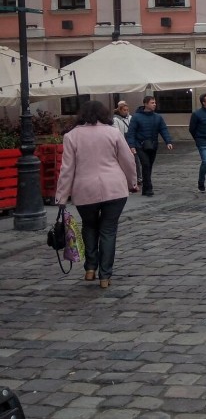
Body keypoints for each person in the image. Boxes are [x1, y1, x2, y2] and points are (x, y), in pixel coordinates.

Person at [55, 100, 137, 289]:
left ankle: (90, 267)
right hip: (114, 188)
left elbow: (67, 169)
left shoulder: (71, 136)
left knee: (90, 226)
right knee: (108, 230)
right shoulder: (113, 132)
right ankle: (105, 276)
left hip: (84, 189)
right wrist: (133, 182)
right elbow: (127, 160)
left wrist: (61, 196)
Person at [126, 96, 173, 197]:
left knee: (149, 166)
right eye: (152, 103)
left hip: (152, 145)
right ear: (145, 104)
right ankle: (149, 188)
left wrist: (168, 141)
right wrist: (132, 145)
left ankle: (145, 188)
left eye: (155, 102)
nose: (154, 104)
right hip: (140, 145)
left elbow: (163, 129)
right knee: (146, 164)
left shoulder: (158, 117)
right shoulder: (136, 117)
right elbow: (131, 132)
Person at [112, 100, 142, 187]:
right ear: (120, 110)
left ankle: (138, 178)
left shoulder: (130, 118)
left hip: (131, 142)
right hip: (122, 142)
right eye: (124, 110)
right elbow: (116, 131)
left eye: (127, 110)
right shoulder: (115, 119)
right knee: (124, 161)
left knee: (136, 160)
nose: (126, 111)